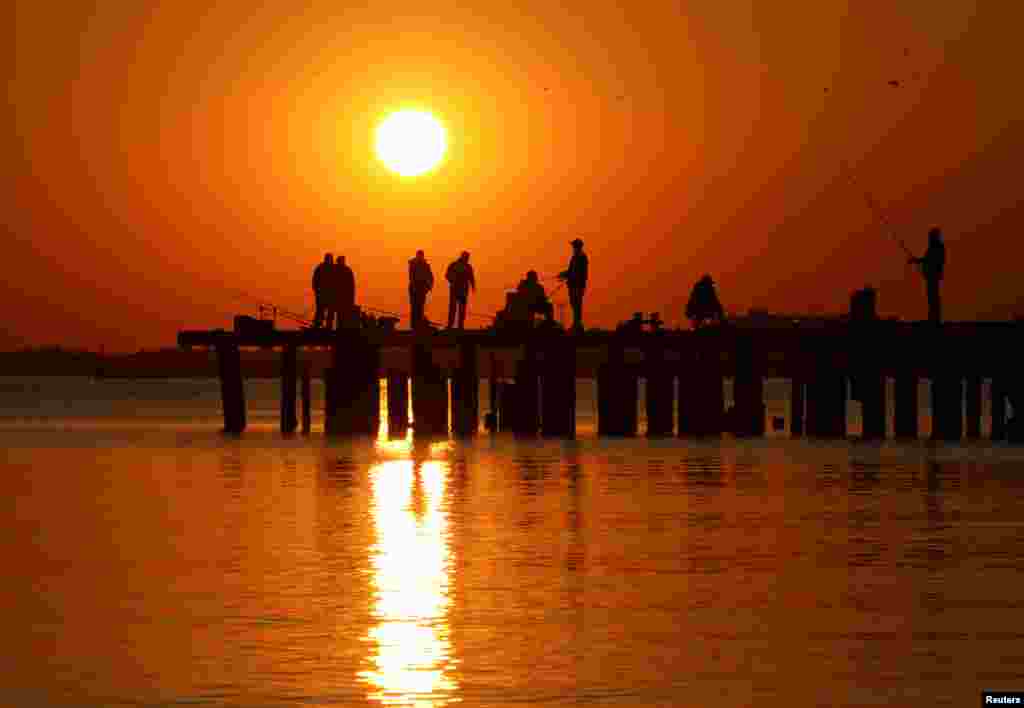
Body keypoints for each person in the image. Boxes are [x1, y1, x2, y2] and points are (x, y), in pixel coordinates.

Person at [908, 227, 945, 324]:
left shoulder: (936, 248)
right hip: (932, 275)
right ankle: (933, 317)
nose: (929, 238)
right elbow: (927, 259)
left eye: (931, 236)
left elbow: (929, 260)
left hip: (933, 275)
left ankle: (934, 318)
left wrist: (915, 260)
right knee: (932, 297)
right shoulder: (936, 247)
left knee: (933, 297)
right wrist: (916, 260)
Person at [558, 238, 588, 333]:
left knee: (576, 305)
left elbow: (579, 273)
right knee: (574, 304)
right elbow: (571, 271)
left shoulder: (581, 257)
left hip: (577, 285)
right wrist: (563, 274)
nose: (573, 248)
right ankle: (576, 324)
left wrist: (566, 275)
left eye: (574, 246)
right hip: (573, 285)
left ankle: (577, 325)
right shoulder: (575, 257)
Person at [445, 251, 475, 330]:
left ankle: (458, 326)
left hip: (462, 290)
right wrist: (453, 281)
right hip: (456, 289)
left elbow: (471, 278)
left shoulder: (467, 266)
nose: (467, 259)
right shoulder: (455, 265)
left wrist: (473, 286)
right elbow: (447, 275)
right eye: (466, 257)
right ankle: (452, 325)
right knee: (454, 308)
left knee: (460, 309)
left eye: (468, 258)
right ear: (463, 257)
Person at [408, 250, 434, 330]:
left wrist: (429, 287)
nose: (420, 257)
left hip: (422, 288)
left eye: (421, 256)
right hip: (414, 288)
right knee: (414, 307)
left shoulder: (426, 265)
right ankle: (414, 325)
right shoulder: (413, 264)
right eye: (419, 256)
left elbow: (431, 277)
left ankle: (418, 324)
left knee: (420, 307)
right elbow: (411, 277)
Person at [312, 253, 334, 328]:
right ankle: (319, 325)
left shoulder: (329, 268)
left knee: (327, 311)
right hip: (322, 294)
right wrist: (317, 291)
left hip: (328, 294)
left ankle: (325, 326)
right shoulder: (322, 268)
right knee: (321, 311)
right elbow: (315, 281)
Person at [334, 255, 356, 329]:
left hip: (343, 298)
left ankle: (340, 328)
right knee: (340, 314)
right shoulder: (344, 270)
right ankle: (340, 328)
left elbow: (351, 286)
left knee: (341, 314)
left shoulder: (339, 270)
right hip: (340, 297)